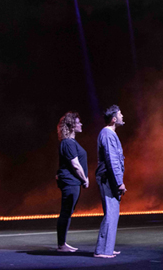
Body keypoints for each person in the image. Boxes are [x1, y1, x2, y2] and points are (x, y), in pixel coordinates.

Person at [95, 105, 126, 259]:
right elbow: (112, 159)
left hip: (110, 178)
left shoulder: (110, 133)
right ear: (114, 119)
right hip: (108, 179)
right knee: (110, 213)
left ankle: (107, 248)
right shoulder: (107, 134)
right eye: (120, 114)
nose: (123, 116)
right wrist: (119, 182)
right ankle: (102, 250)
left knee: (113, 213)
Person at [55, 112, 89, 253]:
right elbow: (75, 164)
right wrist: (84, 179)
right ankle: (62, 245)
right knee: (66, 212)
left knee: (68, 211)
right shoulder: (68, 143)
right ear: (71, 126)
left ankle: (62, 244)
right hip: (70, 182)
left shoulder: (71, 142)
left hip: (73, 182)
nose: (81, 124)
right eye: (78, 122)